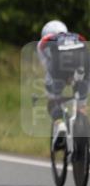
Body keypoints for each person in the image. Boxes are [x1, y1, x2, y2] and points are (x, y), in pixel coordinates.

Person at [37, 20, 88, 149]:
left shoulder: (43, 42)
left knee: (52, 101)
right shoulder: (76, 36)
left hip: (59, 68)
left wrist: (60, 83)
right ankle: (84, 126)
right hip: (84, 64)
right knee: (81, 103)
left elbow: (48, 66)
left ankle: (60, 124)